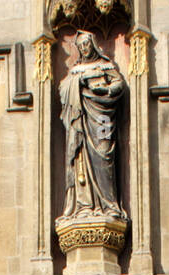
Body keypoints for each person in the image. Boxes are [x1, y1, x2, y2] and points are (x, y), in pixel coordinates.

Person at [59, 30, 127, 220]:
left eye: (86, 44)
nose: (84, 48)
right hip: (80, 122)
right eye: (80, 46)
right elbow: (63, 90)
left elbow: (119, 84)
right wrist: (77, 81)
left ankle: (109, 206)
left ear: (93, 45)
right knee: (80, 159)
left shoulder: (105, 66)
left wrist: (104, 88)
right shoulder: (75, 71)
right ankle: (84, 206)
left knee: (104, 155)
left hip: (103, 118)